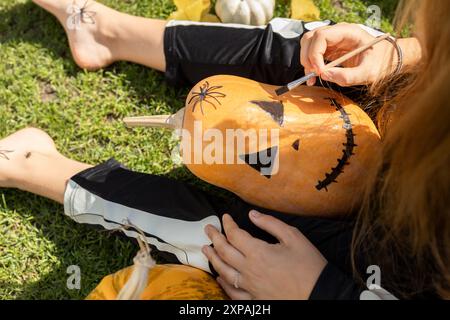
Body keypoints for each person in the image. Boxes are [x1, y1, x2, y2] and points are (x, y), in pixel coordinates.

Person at [1, 0, 446, 299]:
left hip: (405, 263)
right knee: (316, 51)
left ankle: (32, 165)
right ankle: (109, 32)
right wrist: (406, 55)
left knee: (238, 241)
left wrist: (318, 290)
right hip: (417, 128)